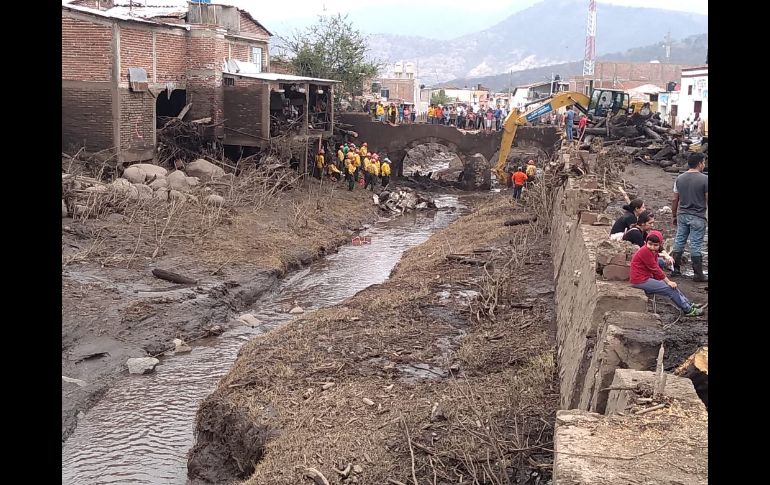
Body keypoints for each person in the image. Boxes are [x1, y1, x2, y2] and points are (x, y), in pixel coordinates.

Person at [629, 231, 703, 317]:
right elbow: (655, 269)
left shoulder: (651, 251)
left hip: (645, 277)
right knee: (670, 289)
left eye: (655, 245)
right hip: (639, 280)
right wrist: (668, 281)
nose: (652, 247)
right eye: (650, 244)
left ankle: (688, 303)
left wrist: (666, 260)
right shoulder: (645, 251)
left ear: (660, 244)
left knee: (673, 286)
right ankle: (688, 310)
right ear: (645, 242)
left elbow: (656, 263)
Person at [671, 152, 708, 281]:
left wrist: (674, 215)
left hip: (682, 214)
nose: (704, 164)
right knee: (696, 244)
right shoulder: (705, 179)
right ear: (699, 163)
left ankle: (675, 269)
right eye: (703, 162)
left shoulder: (679, 178)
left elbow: (675, 199)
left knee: (679, 241)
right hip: (698, 216)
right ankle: (698, 274)